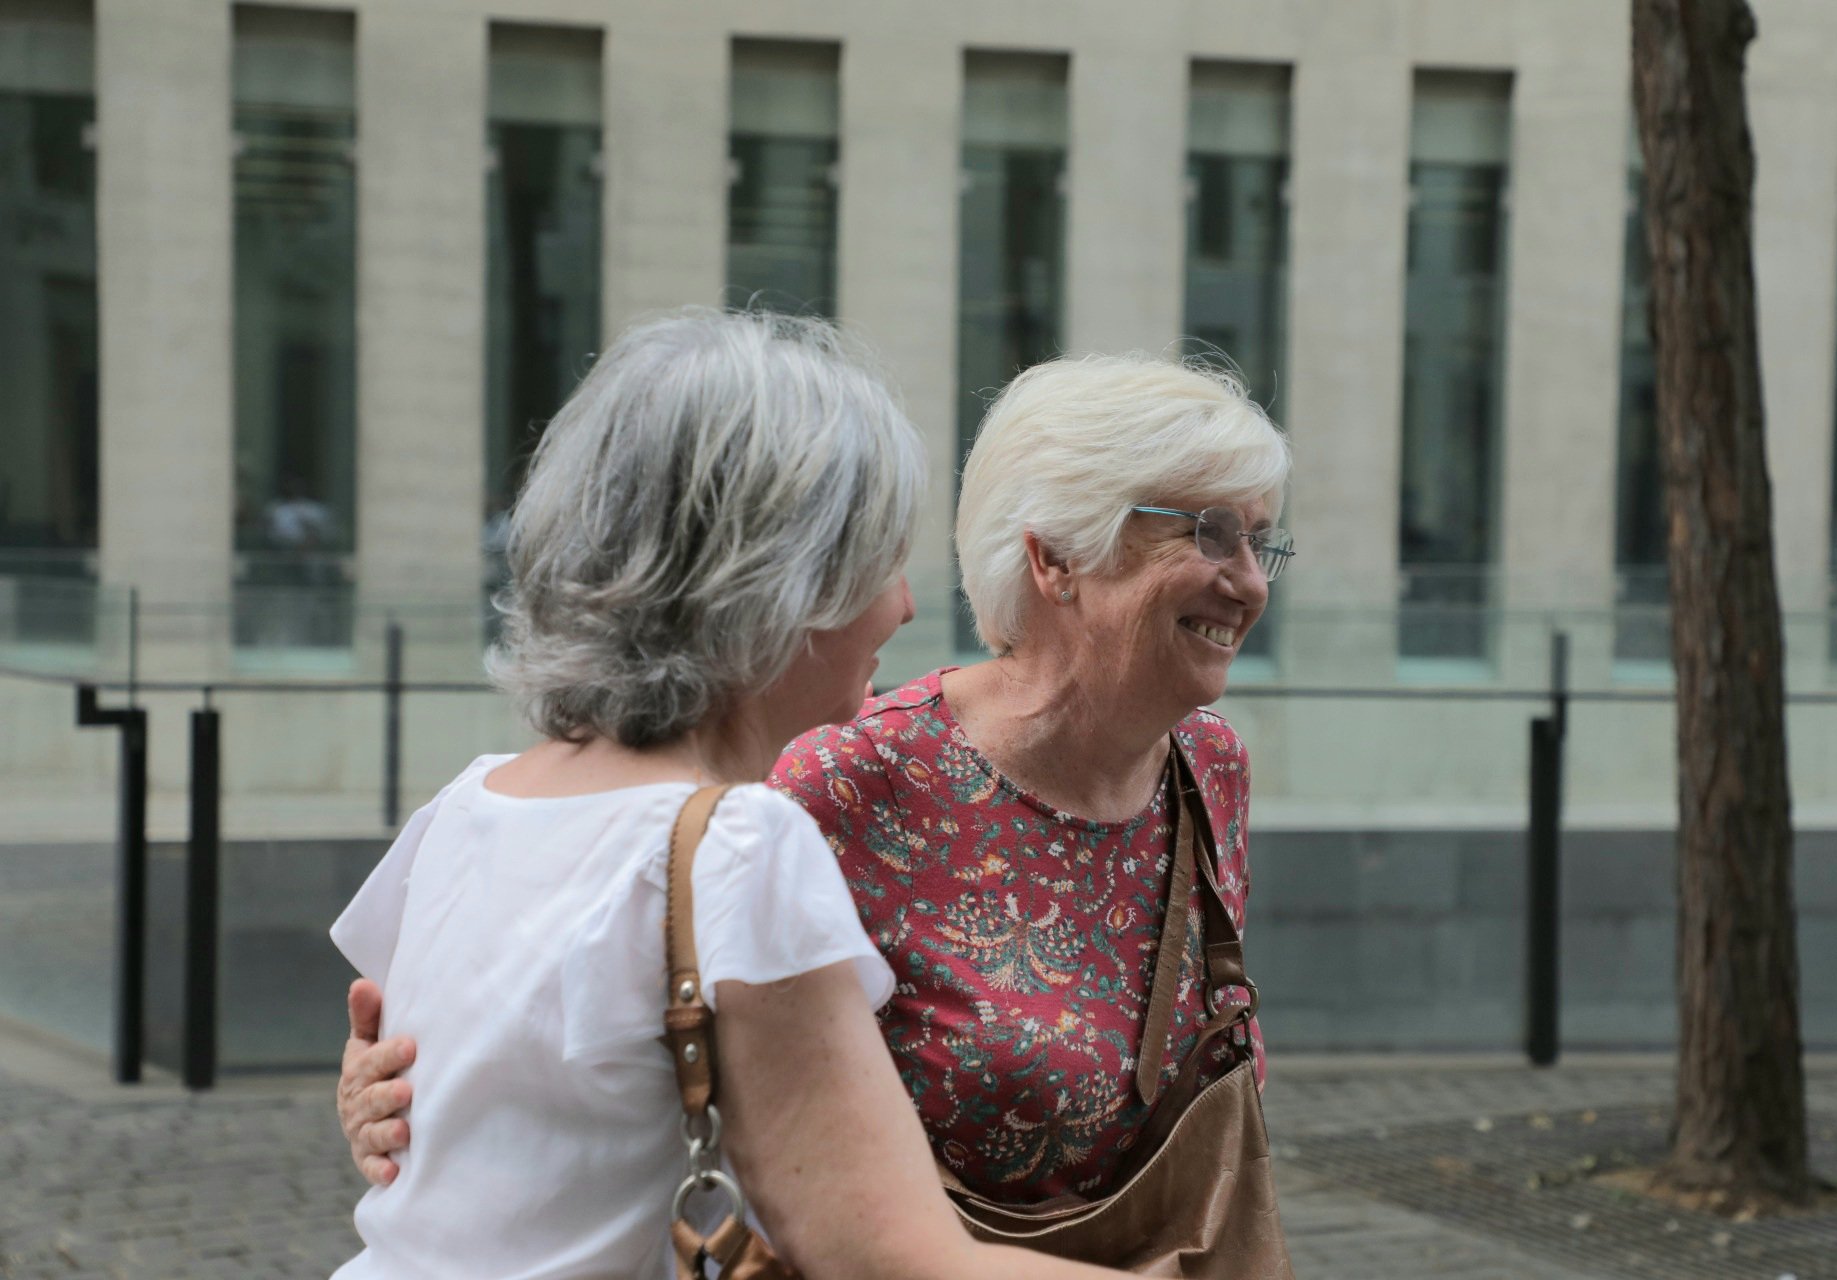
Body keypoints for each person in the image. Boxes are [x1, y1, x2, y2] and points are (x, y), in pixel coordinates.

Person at [341, 351, 1294, 1213]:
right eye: (1209, 535)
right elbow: (613, 996)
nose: (1250, 582)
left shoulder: (1210, 765)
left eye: (1262, 542)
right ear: (1054, 558)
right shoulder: (839, 772)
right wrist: (403, 1083)